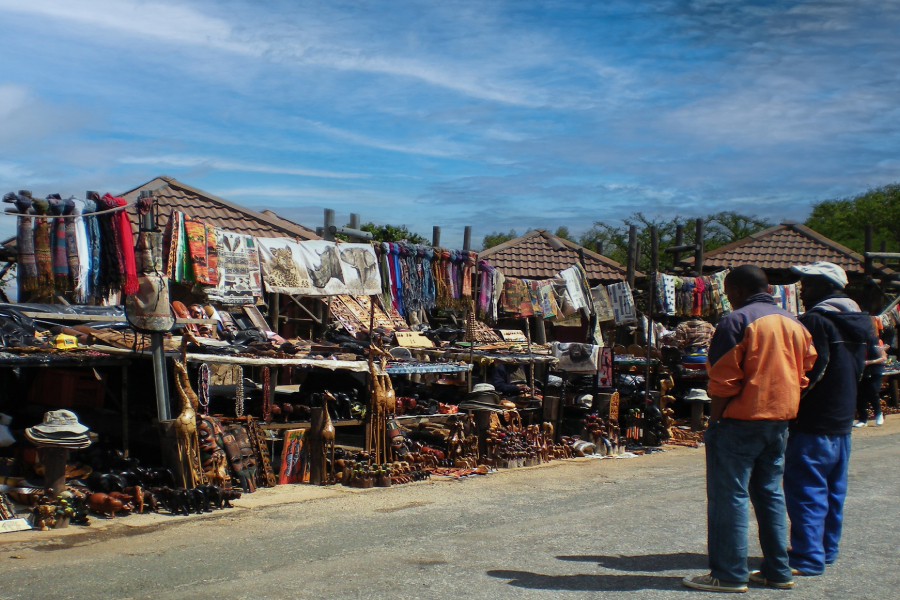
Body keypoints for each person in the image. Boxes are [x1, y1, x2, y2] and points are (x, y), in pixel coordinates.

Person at [683, 265, 817, 593]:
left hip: (739, 421)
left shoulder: (737, 320)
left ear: (740, 290)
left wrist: (714, 421)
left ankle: (728, 574)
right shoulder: (794, 322)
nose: (727, 300)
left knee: (729, 497)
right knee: (770, 494)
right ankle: (777, 571)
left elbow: (724, 380)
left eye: (728, 293)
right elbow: (805, 371)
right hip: (779, 421)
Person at [786, 261, 875, 576]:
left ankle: (807, 558)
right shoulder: (858, 321)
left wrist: (791, 406)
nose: (803, 290)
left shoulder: (815, 321)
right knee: (833, 490)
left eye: (808, 284)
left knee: (807, 490)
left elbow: (813, 370)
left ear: (826, 287)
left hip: (814, 422)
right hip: (841, 422)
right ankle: (825, 551)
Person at [854, 328, 886, 427]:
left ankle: (878, 414)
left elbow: (883, 357)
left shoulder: (875, 341)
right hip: (861, 371)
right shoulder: (855, 342)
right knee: (860, 394)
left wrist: (869, 362)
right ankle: (863, 419)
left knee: (872, 391)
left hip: (874, 370)